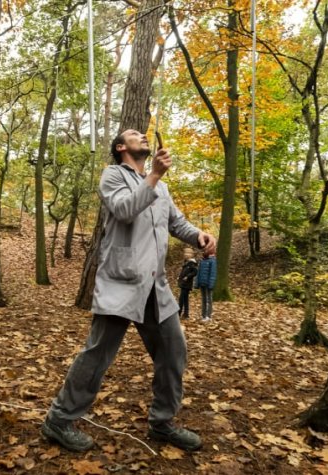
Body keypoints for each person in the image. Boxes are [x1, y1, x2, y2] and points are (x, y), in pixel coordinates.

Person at [41, 129, 217, 453]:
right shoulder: (112, 176)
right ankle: (59, 419)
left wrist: (199, 237)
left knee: (173, 352)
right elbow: (124, 209)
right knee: (97, 355)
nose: (143, 137)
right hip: (121, 283)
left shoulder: (160, 187)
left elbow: (176, 223)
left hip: (156, 287)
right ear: (121, 147)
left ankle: (162, 423)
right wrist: (153, 175)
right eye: (135, 135)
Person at [195, 252, 217, 321]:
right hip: (202, 283)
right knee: (203, 299)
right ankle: (203, 315)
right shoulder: (201, 261)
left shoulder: (212, 261)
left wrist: (211, 284)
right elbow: (198, 273)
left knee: (209, 300)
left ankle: (208, 315)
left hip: (208, 284)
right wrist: (197, 283)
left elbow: (212, 273)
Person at [177, 248, 198, 319]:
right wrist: (179, 277)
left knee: (181, 299)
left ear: (191, 255)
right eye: (185, 253)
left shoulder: (192, 263)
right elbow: (183, 272)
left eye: (188, 253)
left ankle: (178, 313)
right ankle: (186, 314)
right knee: (185, 299)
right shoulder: (186, 263)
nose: (186, 254)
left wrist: (187, 277)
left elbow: (195, 272)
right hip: (183, 283)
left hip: (187, 284)